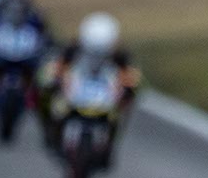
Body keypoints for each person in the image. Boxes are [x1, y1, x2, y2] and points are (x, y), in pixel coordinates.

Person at [39, 12, 141, 155]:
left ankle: (109, 146)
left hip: (103, 92)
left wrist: (128, 88)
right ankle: (52, 132)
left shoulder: (120, 55)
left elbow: (130, 76)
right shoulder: (73, 48)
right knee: (55, 106)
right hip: (77, 88)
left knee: (118, 116)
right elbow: (57, 67)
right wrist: (56, 79)